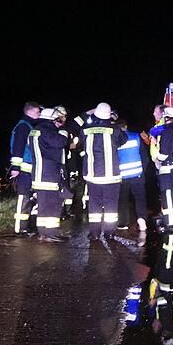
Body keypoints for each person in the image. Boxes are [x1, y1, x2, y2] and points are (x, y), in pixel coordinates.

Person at [81, 102, 127, 242]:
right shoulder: (115, 130)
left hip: (92, 175)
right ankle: (110, 233)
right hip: (111, 176)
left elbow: (80, 145)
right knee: (111, 206)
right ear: (109, 116)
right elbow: (123, 140)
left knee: (94, 204)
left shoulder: (86, 130)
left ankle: (94, 233)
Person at [28, 107, 71, 242]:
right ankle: (51, 233)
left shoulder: (35, 130)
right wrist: (64, 132)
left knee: (44, 205)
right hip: (49, 174)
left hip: (39, 173)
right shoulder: (47, 130)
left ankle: (43, 233)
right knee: (53, 204)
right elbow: (60, 142)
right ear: (52, 119)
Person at [8, 102, 41, 235]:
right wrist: (15, 167)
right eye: (38, 112)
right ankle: (20, 228)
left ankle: (29, 226)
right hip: (24, 170)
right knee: (24, 199)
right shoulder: (23, 127)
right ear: (30, 112)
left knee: (32, 198)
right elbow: (18, 148)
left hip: (31, 170)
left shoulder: (29, 126)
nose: (39, 115)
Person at [151, 105, 173, 230]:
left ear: (166, 117)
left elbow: (164, 154)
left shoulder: (166, 132)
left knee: (168, 196)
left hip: (166, 169)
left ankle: (170, 224)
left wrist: (155, 149)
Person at [116, 119, 148, 231]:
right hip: (137, 174)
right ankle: (142, 219)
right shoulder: (136, 136)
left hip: (122, 176)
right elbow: (144, 157)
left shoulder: (114, 140)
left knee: (122, 199)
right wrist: (142, 171)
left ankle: (122, 222)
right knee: (140, 198)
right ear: (126, 126)